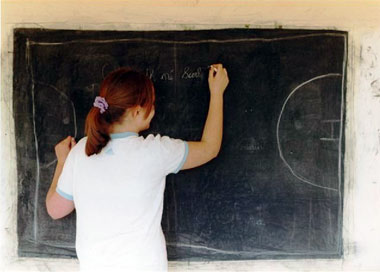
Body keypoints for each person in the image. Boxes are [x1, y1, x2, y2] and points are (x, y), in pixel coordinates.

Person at [46, 64, 229, 271]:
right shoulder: (154, 151)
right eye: (152, 103)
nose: (154, 109)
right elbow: (209, 149)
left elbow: (55, 209)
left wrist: (62, 161)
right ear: (137, 111)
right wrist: (216, 93)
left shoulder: (80, 152)